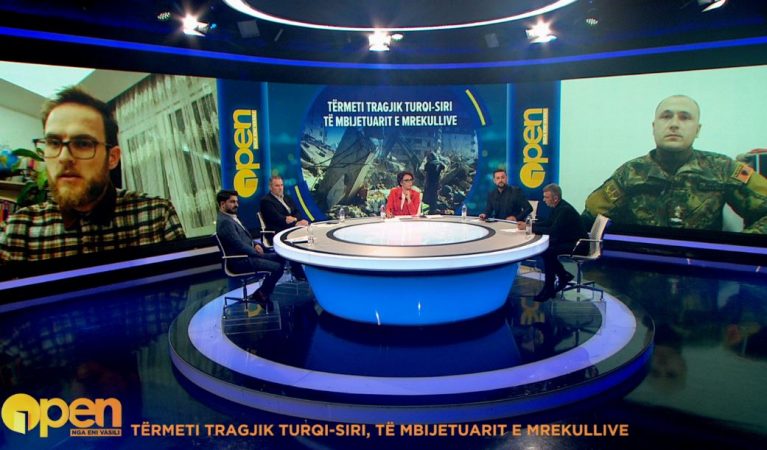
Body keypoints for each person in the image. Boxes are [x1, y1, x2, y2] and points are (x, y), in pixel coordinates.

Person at [0, 86, 185, 263]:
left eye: (83, 143)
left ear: (112, 158)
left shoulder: (157, 217)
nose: (64, 158)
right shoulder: (20, 230)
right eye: (54, 143)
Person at [582, 95, 767, 233]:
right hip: (642, 267)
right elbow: (589, 220)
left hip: (703, 269)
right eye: (666, 116)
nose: (674, 124)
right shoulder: (630, 172)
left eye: (685, 117)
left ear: (697, 130)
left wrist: (736, 249)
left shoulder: (723, 168)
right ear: (654, 127)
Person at [518, 183, 586, 302]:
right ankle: (561, 277)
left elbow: (553, 231)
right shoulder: (558, 207)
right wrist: (529, 225)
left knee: (548, 251)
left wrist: (530, 228)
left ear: (555, 198)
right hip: (568, 240)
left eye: (546, 197)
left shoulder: (564, 210)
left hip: (579, 245)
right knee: (547, 251)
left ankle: (551, 285)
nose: (544, 200)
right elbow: (548, 223)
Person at [216, 190, 284, 302]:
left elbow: (244, 238)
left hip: (248, 254)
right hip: (240, 261)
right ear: (222, 204)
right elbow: (238, 245)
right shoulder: (225, 222)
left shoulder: (230, 217)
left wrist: (255, 244)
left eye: (237, 202)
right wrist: (257, 253)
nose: (236, 205)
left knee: (281, 258)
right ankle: (262, 294)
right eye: (232, 202)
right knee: (278, 268)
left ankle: (262, 292)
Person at [259, 175, 307, 280]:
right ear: (270, 187)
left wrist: (296, 220)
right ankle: (298, 272)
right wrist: (295, 223)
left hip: (291, 228)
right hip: (276, 232)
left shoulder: (287, 198)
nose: (280, 188)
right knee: (293, 241)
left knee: (307, 232)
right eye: (277, 186)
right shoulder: (266, 201)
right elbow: (277, 218)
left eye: (281, 185)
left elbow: (297, 212)